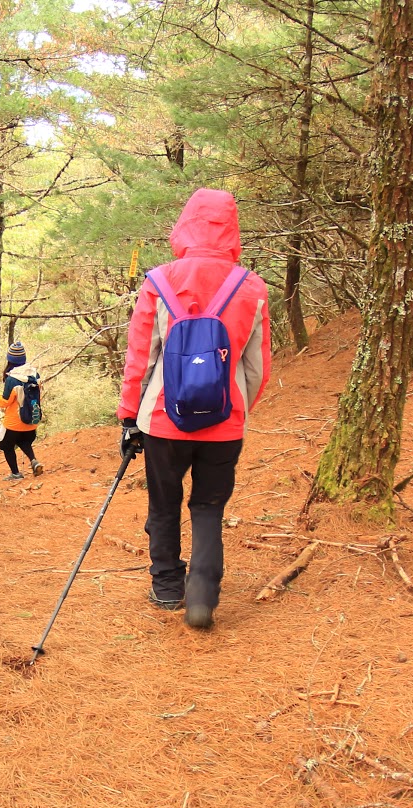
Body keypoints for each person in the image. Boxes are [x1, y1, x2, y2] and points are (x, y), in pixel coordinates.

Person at [117, 188, 272, 630]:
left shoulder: (158, 281)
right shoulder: (252, 286)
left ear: (184, 225)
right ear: (232, 231)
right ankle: (202, 594)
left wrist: (130, 412)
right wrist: (239, 407)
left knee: (163, 503)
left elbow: (141, 356)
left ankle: (167, 586)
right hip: (225, 424)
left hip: (164, 419)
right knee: (208, 506)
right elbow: (257, 366)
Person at [0, 341, 44, 480]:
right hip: (32, 420)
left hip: (14, 423)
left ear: (10, 360)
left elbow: (4, 402)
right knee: (24, 441)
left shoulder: (12, 379)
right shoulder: (35, 374)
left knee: (6, 445)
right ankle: (34, 461)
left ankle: (15, 473)